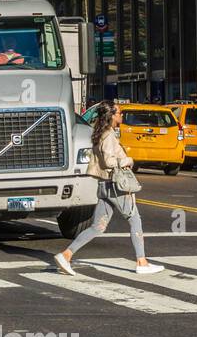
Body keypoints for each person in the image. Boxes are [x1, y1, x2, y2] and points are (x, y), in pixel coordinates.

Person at [53, 101, 164, 277]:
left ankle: (66, 255)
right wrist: (127, 161)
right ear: (111, 116)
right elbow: (109, 162)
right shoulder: (108, 136)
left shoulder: (99, 134)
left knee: (97, 227)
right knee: (134, 219)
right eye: (119, 112)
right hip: (115, 185)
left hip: (104, 185)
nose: (121, 115)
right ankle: (141, 262)